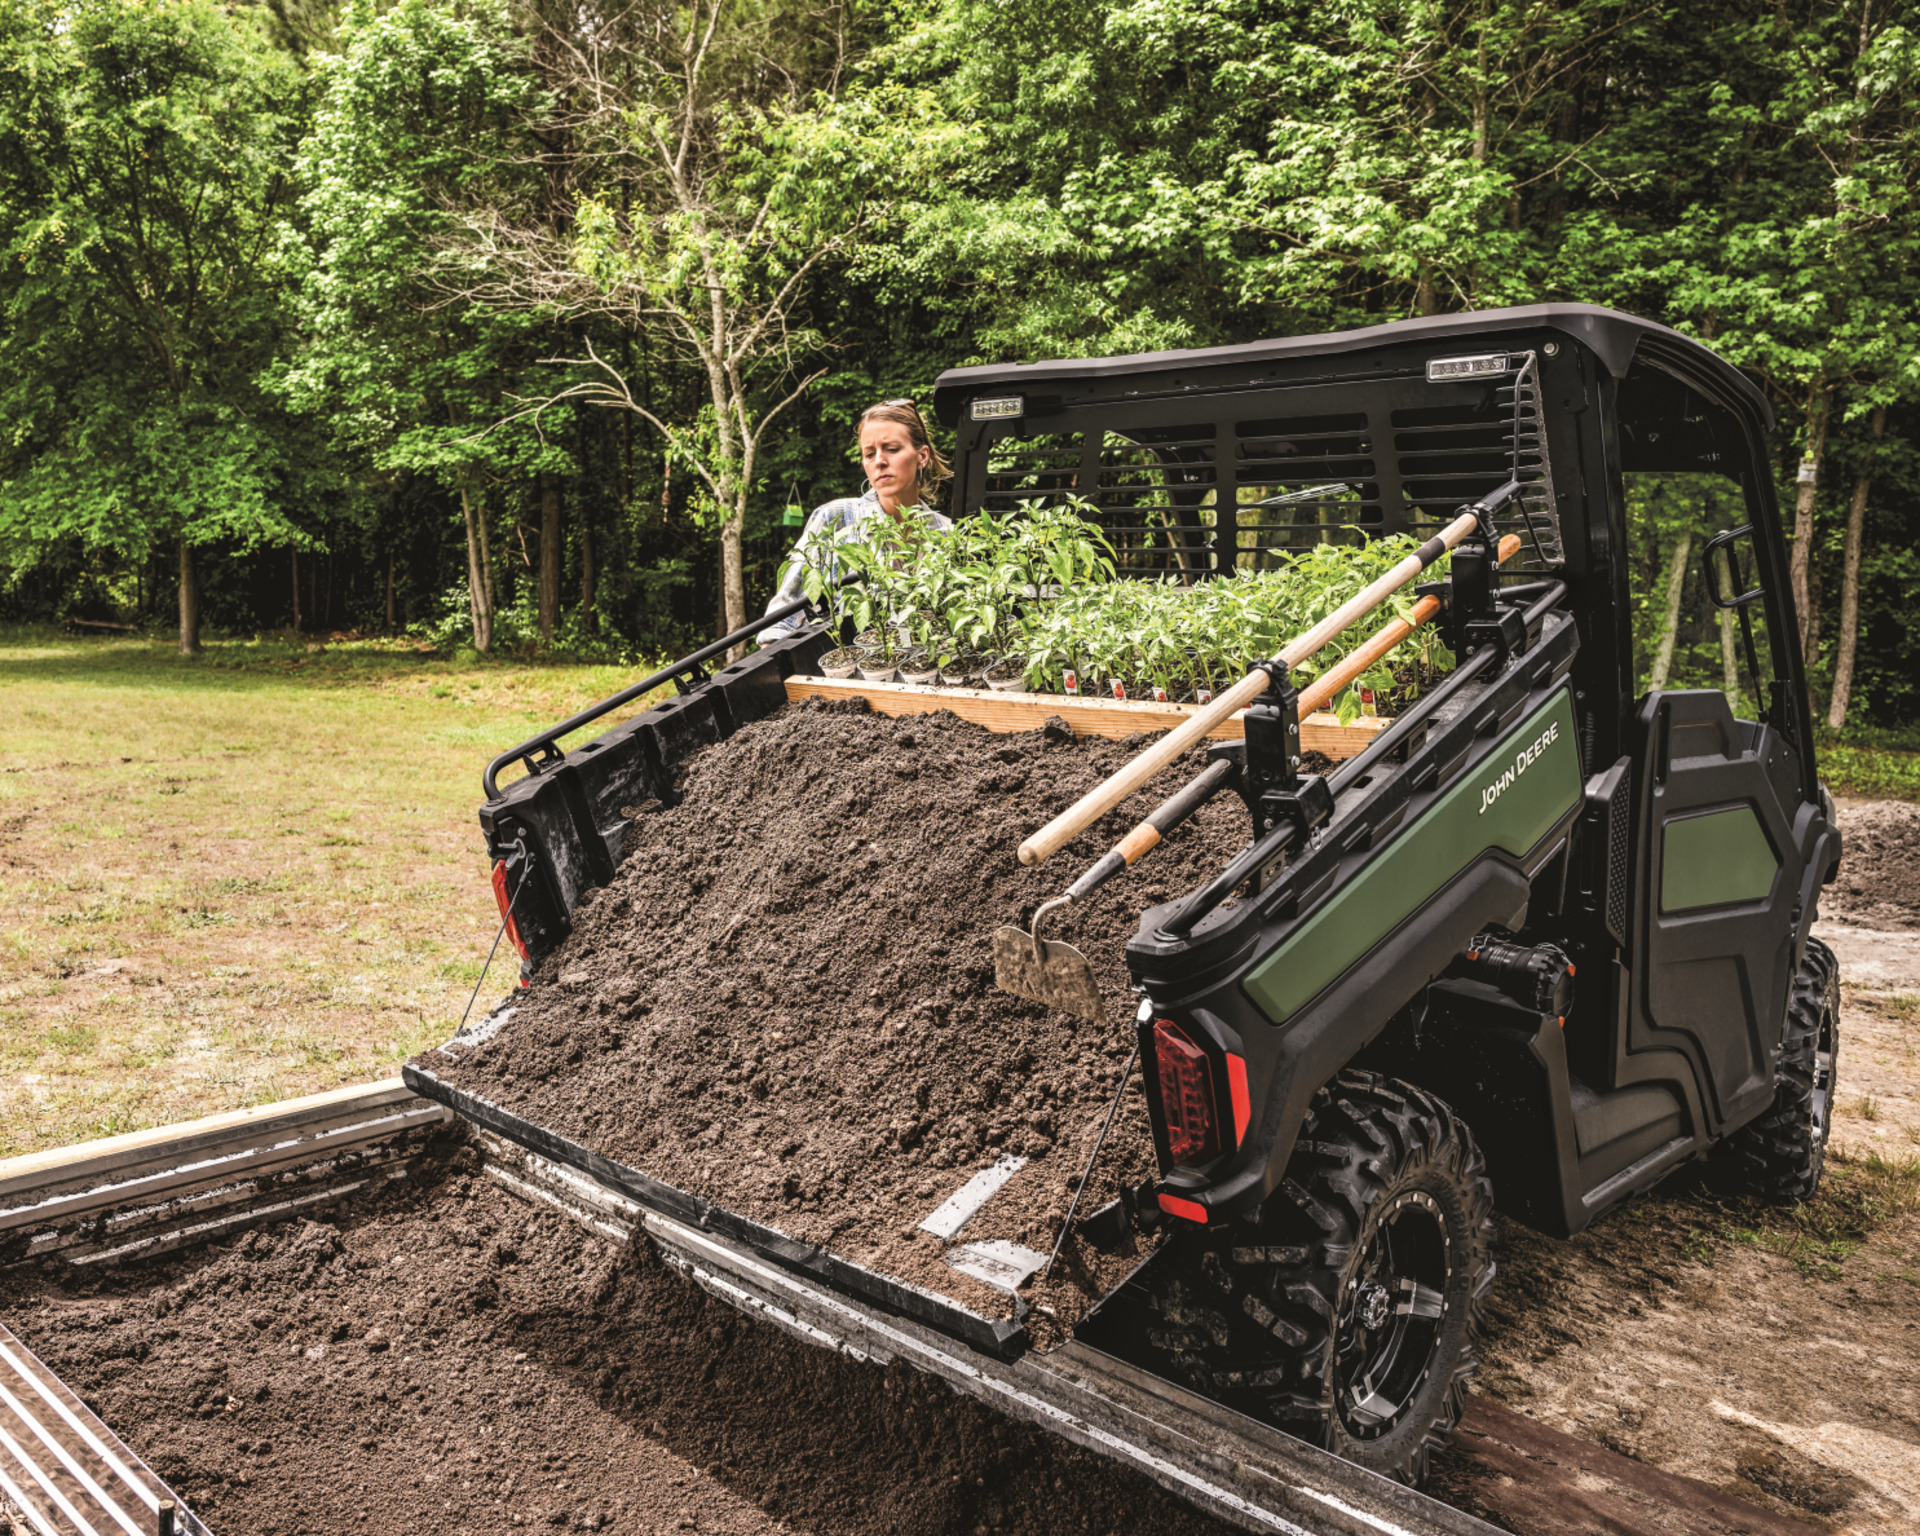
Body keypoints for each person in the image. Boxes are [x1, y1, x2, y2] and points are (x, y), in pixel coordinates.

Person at [757, 399, 954, 643]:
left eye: (892, 449)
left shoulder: (947, 534)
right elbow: (781, 621)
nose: (879, 461)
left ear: (922, 456)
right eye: (869, 454)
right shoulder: (836, 518)